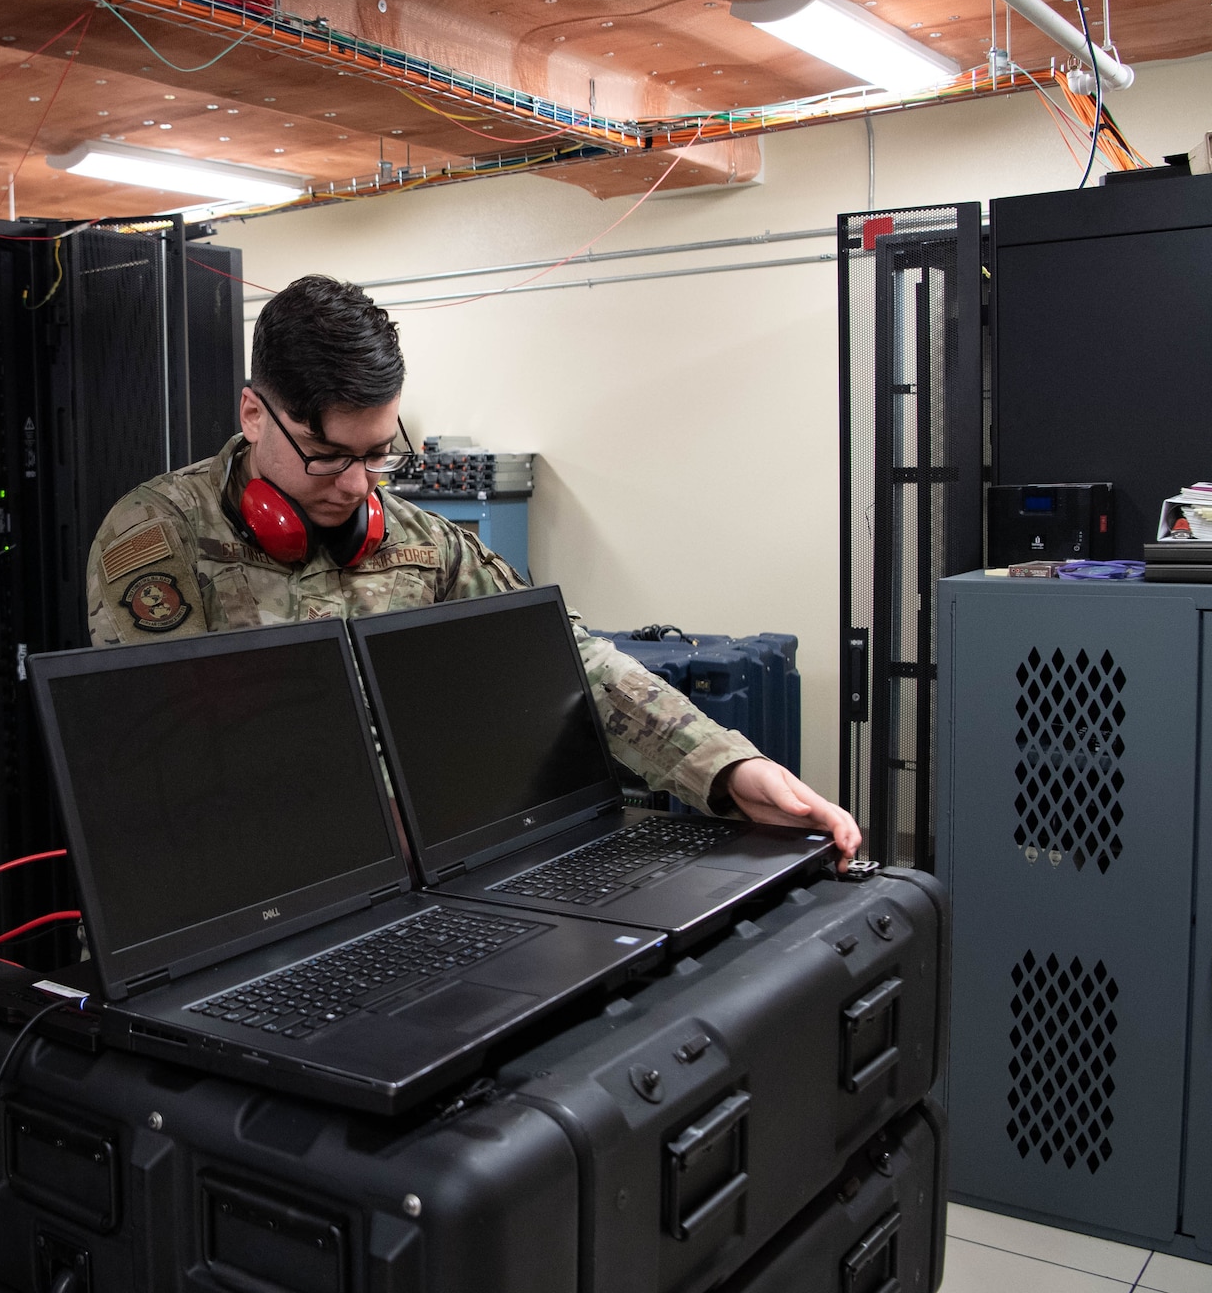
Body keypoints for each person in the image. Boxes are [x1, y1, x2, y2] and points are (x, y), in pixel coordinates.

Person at [86, 274, 862, 864]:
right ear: (255, 415)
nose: (357, 485)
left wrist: (726, 767)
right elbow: (172, 763)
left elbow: (570, 659)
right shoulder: (159, 538)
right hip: (251, 894)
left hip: (418, 871)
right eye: (327, 456)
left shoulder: (427, 542)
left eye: (379, 453)